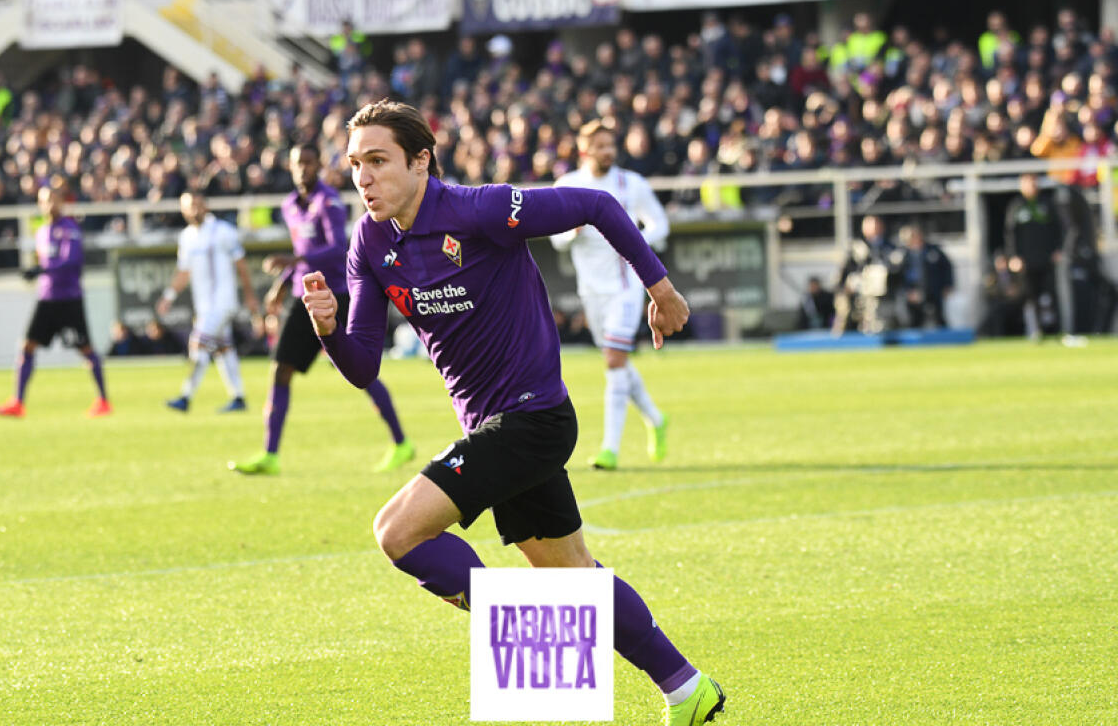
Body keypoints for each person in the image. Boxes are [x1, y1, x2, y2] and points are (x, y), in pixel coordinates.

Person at [302, 100, 724, 726]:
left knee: (397, 532)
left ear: (420, 161)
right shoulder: (369, 241)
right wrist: (328, 330)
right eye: (355, 163)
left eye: (378, 161)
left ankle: (531, 633)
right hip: (494, 431)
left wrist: (659, 288)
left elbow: (597, 205)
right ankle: (688, 690)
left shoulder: (479, 210)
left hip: (533, 420)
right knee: (573, 577)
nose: (363, 177)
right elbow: (363, 366)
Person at [230, 142, 414, 475]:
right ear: (290, 167)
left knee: (361, 372)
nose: (303, 169)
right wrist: (282, 283)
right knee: (280, 369)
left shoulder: (328, 201)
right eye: (297, 163)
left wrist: (295, 261)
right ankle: (270, 455)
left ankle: (401, 443)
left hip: (335, 295)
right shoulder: (290, 205)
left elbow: (336, 248)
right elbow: (302, 252)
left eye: (309, 162)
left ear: (319, 166)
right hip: (305, 296)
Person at [550, 120, 670, 471]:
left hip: (626, 286)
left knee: (615, 360)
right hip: (591, 290)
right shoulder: (567, 185)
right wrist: (571, 233)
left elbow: (660, 224)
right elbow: (555, 240)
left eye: (610, 145)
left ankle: (610, 449)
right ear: (584, 150)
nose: (607, 151)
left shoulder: (631, 184)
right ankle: (656, 418)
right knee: (617, 361)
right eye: (600, 146)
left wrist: (633, 242)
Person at [0, 186, 111, 418]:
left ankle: (103, 400)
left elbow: (71, 261)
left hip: (69, 299)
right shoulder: (42, 231)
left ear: (61, 202)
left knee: (86, 349)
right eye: (44, 201)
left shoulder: (70, 229)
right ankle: (18, 401)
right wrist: (38, 271)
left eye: (52, 200)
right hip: (47, 298)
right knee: (26, 346)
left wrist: (41, 269)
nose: (48, 205)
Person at [157, 191, 262, 413]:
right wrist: (168, 296)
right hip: (204, 306)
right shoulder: (187, 236)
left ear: (205, 206)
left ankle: (185, 396)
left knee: (197, 344)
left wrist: (250, 295)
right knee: (224, 349)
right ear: (183, 210)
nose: (193, 210)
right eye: (189, 206)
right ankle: (238, 397)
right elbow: (184, 272)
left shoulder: (223, 231)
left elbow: (241, 265)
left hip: (223, 303)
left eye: (197, 204)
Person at [1004, 173, 1063, 340]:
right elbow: (1010, 233)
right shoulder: (1017, 206)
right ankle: (1036, 330)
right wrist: (1013, 256)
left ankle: (1056, 329)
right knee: (1031, 296)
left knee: (1051, 294)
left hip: (1046, 258)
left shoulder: (1046, 204)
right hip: (1026, 260)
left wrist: (1058, 249)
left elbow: (1058, 228)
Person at [896, 225, 954, 329]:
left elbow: (947, 268)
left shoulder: (933, 250)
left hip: (934, 291)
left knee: (938, 319)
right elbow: (900, 276)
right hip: (913, 293)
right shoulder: (904, 254)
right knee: (913, 321)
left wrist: (948, 285)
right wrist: (907, 292)